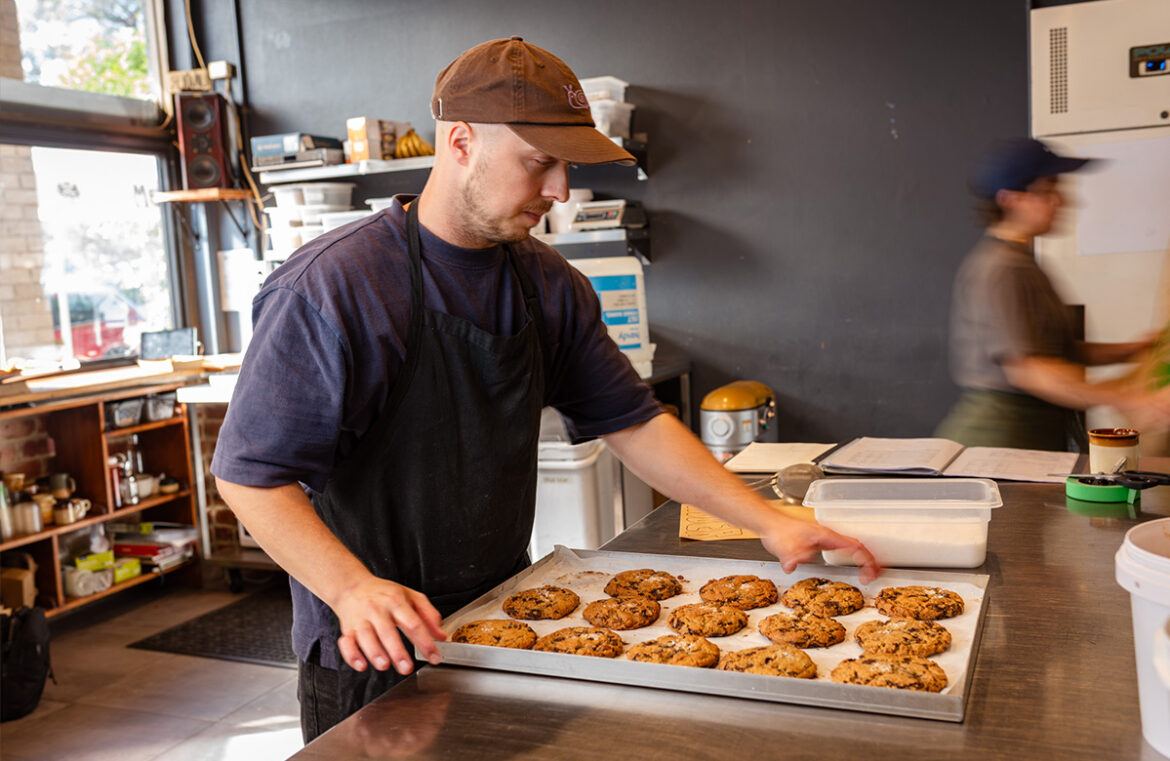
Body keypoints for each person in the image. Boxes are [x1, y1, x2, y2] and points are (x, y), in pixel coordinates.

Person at [211, 36, 879, 741]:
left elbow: (632, 421)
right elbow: (250, 477)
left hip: (506, 617)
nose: (560, 189)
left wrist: (768, 521)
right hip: (370, 643)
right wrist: (352, 588)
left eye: (568, 166)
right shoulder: (332, 288)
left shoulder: (549, 284)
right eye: (540, 162)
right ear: (461, 141)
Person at [936, 138, 1170, 451]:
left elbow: (1058, 350)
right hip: (1000, 440)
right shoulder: (1002, 269)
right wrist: (1131, 399)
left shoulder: (1022, 262)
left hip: (1030, 433)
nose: (1062, 201)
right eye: (1048, 190)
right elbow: (1032, 371)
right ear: (1011, 199)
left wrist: (1136, 348)